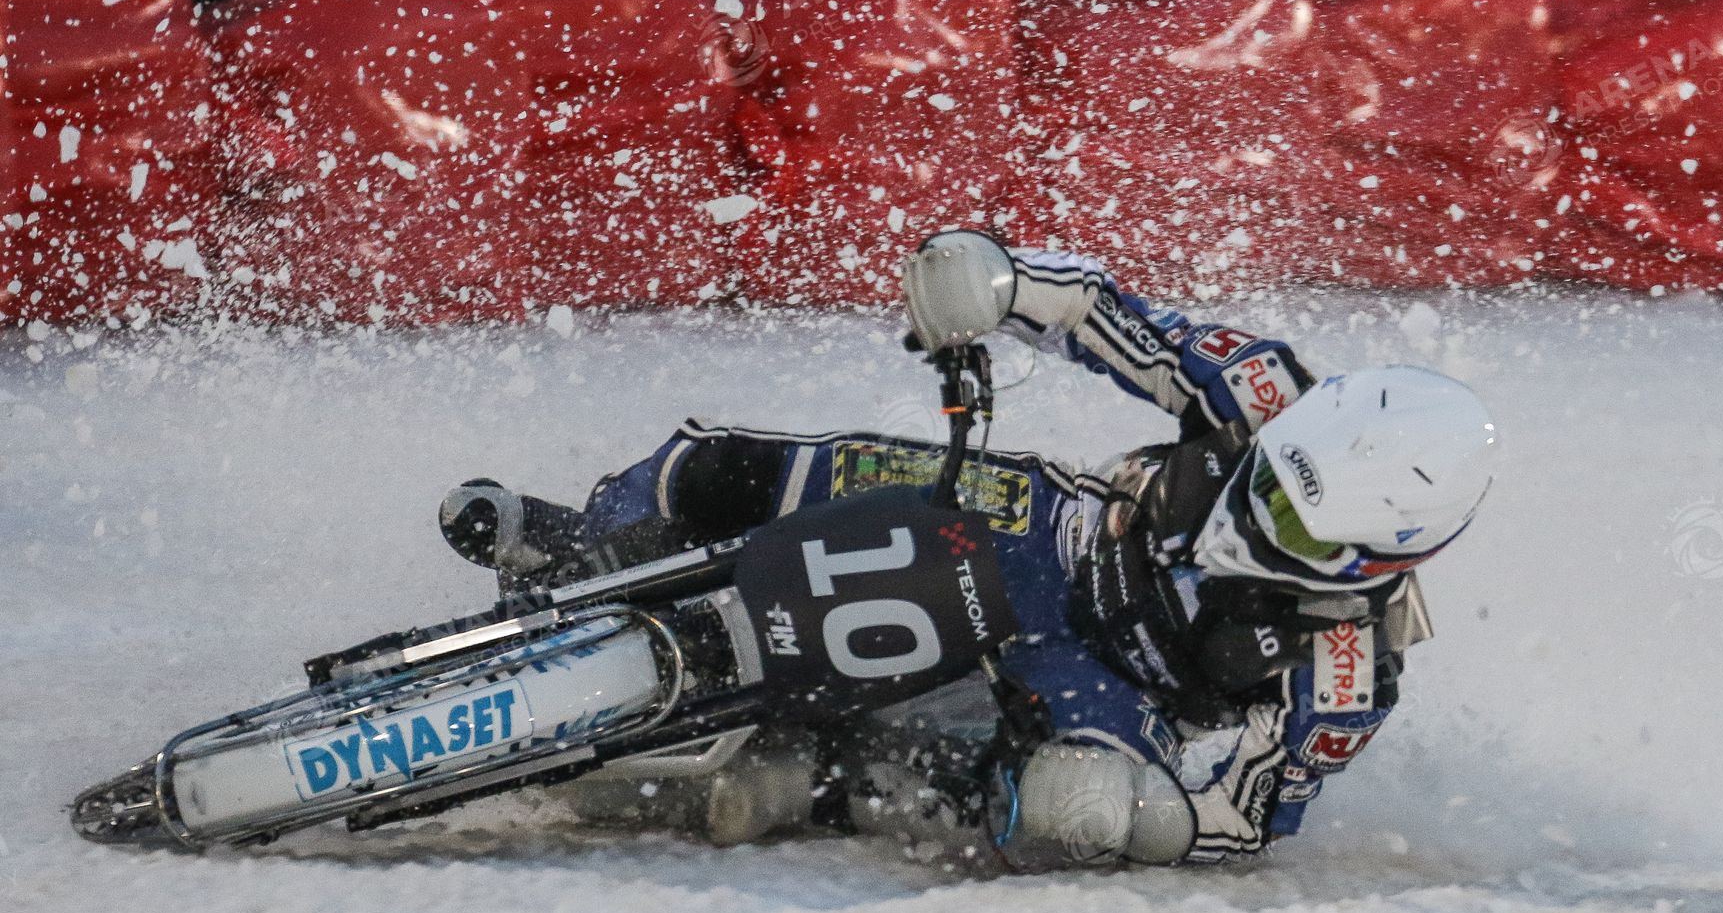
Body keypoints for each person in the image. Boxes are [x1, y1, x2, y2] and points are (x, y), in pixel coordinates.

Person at [438, 230, 1499, 867]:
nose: (1256, 517)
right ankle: (591, 545)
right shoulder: (1262, 389)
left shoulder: (1347, 673)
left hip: (1107, 683)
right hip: (1041, 525)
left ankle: (827, 782)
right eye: (1267, 479)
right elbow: (1103, 316)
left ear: (1376, 561)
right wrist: (998, 282)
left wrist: (1157, 820)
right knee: (725, 464)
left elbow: (1253, 816)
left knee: (1067, 814)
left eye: (1301, 527)